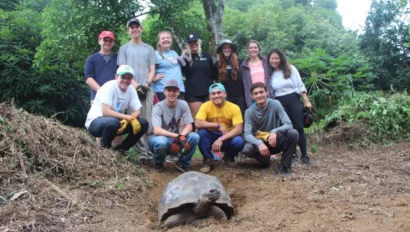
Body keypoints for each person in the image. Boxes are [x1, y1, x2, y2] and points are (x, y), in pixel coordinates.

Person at [117, 17, 156, 162]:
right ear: (128, 30)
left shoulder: (149, 48)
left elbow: (152, 69)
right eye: (132, 27)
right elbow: (122, 69)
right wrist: (136, 86)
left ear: (141, 28)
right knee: (135, 122)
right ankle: (141, 156)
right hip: (130, 90)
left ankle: (151, 153)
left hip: (147, 89)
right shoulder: (124, 48)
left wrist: (146, 84)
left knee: (149, 121)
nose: (135, 29)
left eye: (137, 27)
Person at [85, 65, 149, 152]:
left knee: (143, 123)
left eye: (129, 78)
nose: (126, 80)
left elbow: (138, 110)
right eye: (123, 77)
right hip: (95, 122)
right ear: (116, 76)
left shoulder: (131, 89)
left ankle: (121, 149)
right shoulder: (109, 87)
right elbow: (106, 112)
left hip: (117, 122)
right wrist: (126, 117)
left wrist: (130, 119)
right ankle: (104, 150)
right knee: (113, 122)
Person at [267, 48, 313, 165]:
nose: (274, 61)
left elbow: (300, 85)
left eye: (276, 58)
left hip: (293, 98)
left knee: (298, 126)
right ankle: (292, 152)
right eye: (272, 58)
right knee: (287, 128)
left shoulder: (290, 69)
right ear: (269, 60)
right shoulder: (269, 73)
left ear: (281, 58)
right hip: (279, 101)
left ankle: (304, 154)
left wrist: (306, 101)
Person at [242, 82, 298, 176]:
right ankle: (264, 159)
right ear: (252, 96)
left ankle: (284, 165)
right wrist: (259, 143)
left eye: (261, 92)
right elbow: (247, 134)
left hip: (275, 140)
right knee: (247, 149)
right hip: (261, 144)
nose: (259, 95)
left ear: (266, 92)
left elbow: (288, 124)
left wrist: (274, 131)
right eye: (255, 93)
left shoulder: (275, 104)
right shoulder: (249, 112)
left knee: (293, 133)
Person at [148, 79, 200, 173]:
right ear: (164, 92)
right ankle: (159, 163)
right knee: (161, 141)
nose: (171, 93)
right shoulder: (158, 107)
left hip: (176, 140)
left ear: (178, 92)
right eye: (169, 90)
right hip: (159, 139)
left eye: (174, 90)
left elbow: (190, 125)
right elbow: (157, 130)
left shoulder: (183, 104)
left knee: (194, 136)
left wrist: (181, 136)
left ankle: (183, 163)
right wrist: (178, 136)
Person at [195, 83, 244, 173]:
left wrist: (221, 139)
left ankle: (229, 157)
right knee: (201, 133)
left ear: (225, 94)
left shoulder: (234, 107)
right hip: (211, 136)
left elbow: (238, 129)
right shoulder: (205, 106)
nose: (216, 96)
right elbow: (197, 123)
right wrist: (217, 125)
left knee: (238, 141)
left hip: (227, 136)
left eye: (219, 92)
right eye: (213, 94)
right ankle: (208, 160)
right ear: (210, 96)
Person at [84, 30, 121, 145]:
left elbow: (122, 77)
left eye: (110, 40)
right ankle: (101, 153)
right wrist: (103, 92)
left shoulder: (117, 58)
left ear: (113, 42)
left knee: (118, 123)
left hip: (117, 97)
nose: (107, 42)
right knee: (101, 123)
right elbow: (89, 79)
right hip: (97, 97)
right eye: (105, 40)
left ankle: (119, 152)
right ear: (99, 41)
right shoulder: (92, 59)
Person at [181, 33, 217, 121]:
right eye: (190, 42)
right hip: (193, 94)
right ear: (187, 44)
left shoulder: (207, 55)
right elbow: (178, 72)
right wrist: (182, 56)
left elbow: (214, 74)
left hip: (208, 92)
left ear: (199, 42)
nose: (193, 44)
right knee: (198, 120)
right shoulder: (185, 58)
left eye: (195, 41)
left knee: (211, 119)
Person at [215, 39, 246, 116]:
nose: (227, 50)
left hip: (240, 95)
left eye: (229, 48)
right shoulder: (217, 64)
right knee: (228, 118)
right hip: (226, 96)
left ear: (232, 49)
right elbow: (215, 80)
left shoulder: (240, 62)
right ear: (221, 50)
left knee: (241, 116)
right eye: (224, 48)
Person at [240, 40, 274, 108]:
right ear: (248, 50)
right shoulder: (244, 66)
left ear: (259, 49)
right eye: (251, 48)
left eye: (255, 47)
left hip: (267, 94)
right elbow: (245, 84)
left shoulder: (266, 62)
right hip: (254, 96)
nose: (253, 49)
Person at [153, 31, 186, 101]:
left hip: (178, 89)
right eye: (163, 38)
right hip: (162, 91)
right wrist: (153, 78)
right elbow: (146, 70)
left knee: (179, 112)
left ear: (171, 40)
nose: (166, 39)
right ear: (159, 42)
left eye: (168, 37)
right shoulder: (155, 54)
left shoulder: (174, 53)